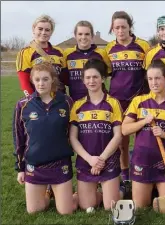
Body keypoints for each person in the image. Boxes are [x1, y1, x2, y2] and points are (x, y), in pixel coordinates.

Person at [13, 62, 77, 214]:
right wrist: (20, 168)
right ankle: (48, 192)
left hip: (60, 164)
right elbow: (18, 138)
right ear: (32, 81)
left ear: (53, 80)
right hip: (34, 166)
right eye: (37, 80)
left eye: (45, 79)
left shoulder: (67, 102)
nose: (41, 83)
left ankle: (75, 194)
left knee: (66, 211)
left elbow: (74, 133)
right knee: (34, 210)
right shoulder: (23, 105)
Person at [121, 59, 165, 208]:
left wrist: (164, 134)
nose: (154, 82)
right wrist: (143, 122)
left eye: (157, 78)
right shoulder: (139, 101)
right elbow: (124, 129)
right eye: (150, 79)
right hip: (142, 161)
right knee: (141, 205)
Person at [69, 59, 123, 210]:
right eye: (88, 77)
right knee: (87, 205)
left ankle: (119, 190)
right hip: (86, 160)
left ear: (103, 79)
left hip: (108, 159)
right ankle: (95, 193)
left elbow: (118, 135)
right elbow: (73, 137)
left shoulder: (113, 103)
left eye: (95, 77)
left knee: (110, 207)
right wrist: (90, 159)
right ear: (83, 80)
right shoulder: (77, 105)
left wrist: (101, 159)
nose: (91, 81)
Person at [105, 11, 151, 184]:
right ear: (112, 28)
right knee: (121, 140)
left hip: (139, 100)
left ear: (130, 27)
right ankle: (125, 175)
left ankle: (144, 171)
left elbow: (150, 73)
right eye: (116, 27)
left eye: (123, 26)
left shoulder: (143, 46)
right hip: (118, 101)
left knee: (143, 139)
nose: (120, 30)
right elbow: (106, 74)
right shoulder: (108, 49)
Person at [16, 14, 68, 97]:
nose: (43, 33)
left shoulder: (60, 52)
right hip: (39, 101)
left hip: (59, 100)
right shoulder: (25, 52)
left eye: (47, 30)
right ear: (33, 29)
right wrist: (33, 100)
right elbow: (24, 83)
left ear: (51, 32)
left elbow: (65, 78)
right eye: (40, 29)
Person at [64, 21, 111, 101]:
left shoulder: (101, 54)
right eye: (80, 34)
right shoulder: (67, 54)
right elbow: (64, 78)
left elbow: (108, 75)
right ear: (75, 35)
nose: (83, 37)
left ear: (92, 36)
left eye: (87, 34)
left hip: (99, 102)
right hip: (76, 101)